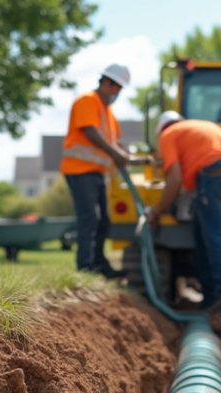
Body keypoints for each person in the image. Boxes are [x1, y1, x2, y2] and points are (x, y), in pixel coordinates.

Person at [146, 111, 221, 313]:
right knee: (206, 237)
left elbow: (174, 180)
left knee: (215, 238)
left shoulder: (168, 135)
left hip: (213, 176)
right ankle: (210, 298)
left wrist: (156, 211)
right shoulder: (199, 127)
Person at [60, 63, 142, 278]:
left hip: (97, 173)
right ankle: (85, 266)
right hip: (79, 170)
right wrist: (116, 154)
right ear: (107, 83)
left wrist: (128, 155)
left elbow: (115, 142)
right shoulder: (87, 101)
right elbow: (91, 133)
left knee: (103, 220)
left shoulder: (108, 114)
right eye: (116, 88)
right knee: (89, 218)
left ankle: (98, 264)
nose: (117, 93)